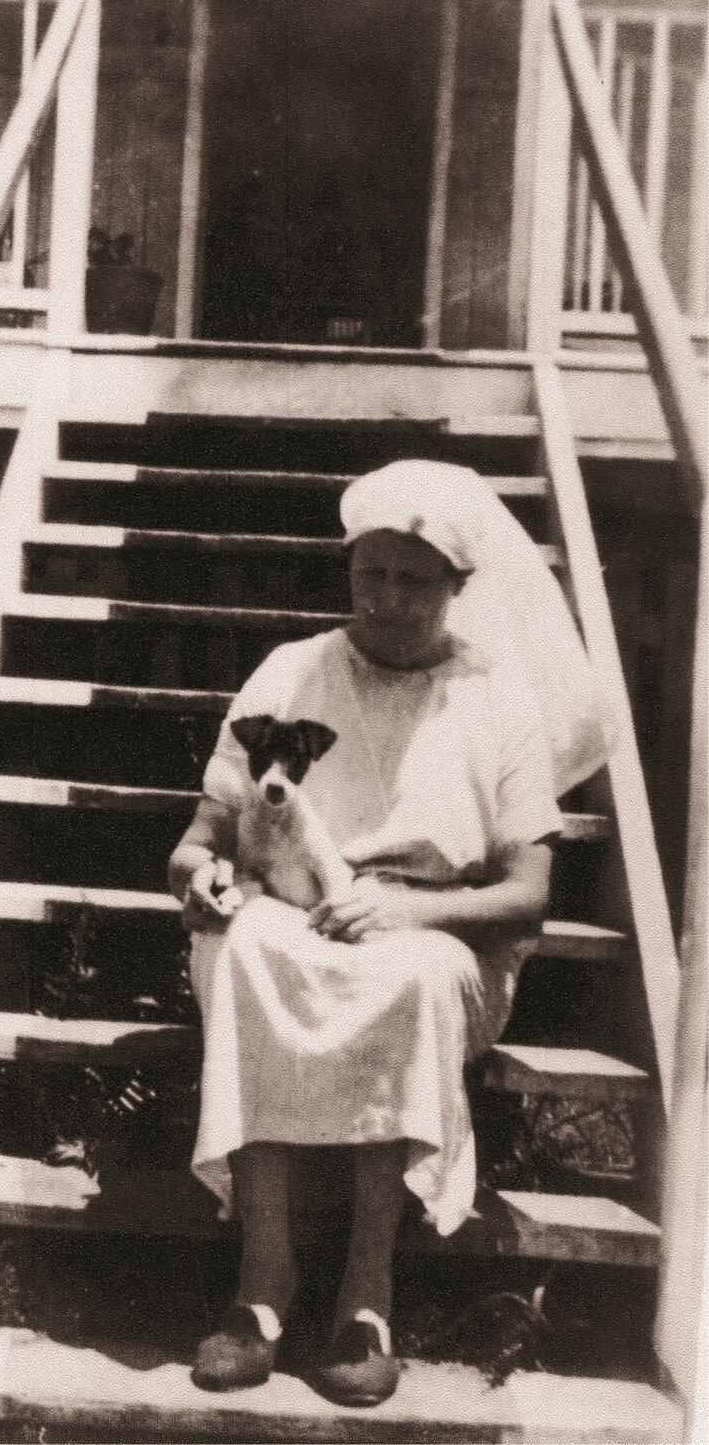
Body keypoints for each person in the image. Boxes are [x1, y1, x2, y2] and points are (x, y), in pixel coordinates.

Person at [167, 459, 613, 1407]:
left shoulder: (496, 694)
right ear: (349, 570)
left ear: (458, 588)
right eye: (372, 574)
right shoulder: (293, 672)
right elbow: (200, 839)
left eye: (415, 581)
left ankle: (366, 1300)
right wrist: (200, 876)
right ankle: (263, 1287)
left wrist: (409, 909)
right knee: (247, 950)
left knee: (406, 978)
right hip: (294, 914)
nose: (389, 599)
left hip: (438, 931)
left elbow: (527, 894)